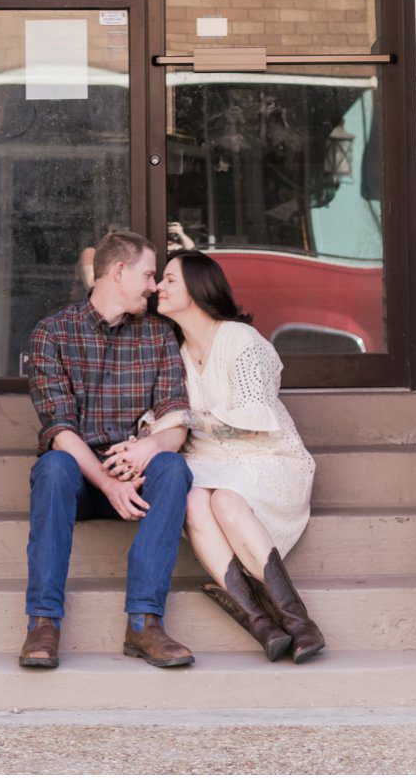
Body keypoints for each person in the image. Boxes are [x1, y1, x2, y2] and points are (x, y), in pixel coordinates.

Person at [134, 250, 325, 663]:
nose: (158, 289)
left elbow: (255, 417)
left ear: (198, 288)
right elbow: (160, 416)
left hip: (266, 456)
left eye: (169, 280)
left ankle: (297, 621)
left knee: (225, 499)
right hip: (206, 461)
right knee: (191, 497)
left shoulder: (240, 340)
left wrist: (185, 419)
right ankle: (261, 623)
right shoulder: (176, 353)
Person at [20, 228, 196, 670]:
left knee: (173, 468)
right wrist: (105, 483)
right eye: (149, 274)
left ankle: (144, 623)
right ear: (118, 271)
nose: (155, 287)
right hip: (80, 480)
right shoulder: (52, 333)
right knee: (55, 466)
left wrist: (149, 449)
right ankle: (43, 623)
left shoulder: (158, 337)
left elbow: (177, 420)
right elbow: (59, 429)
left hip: (138, 476)